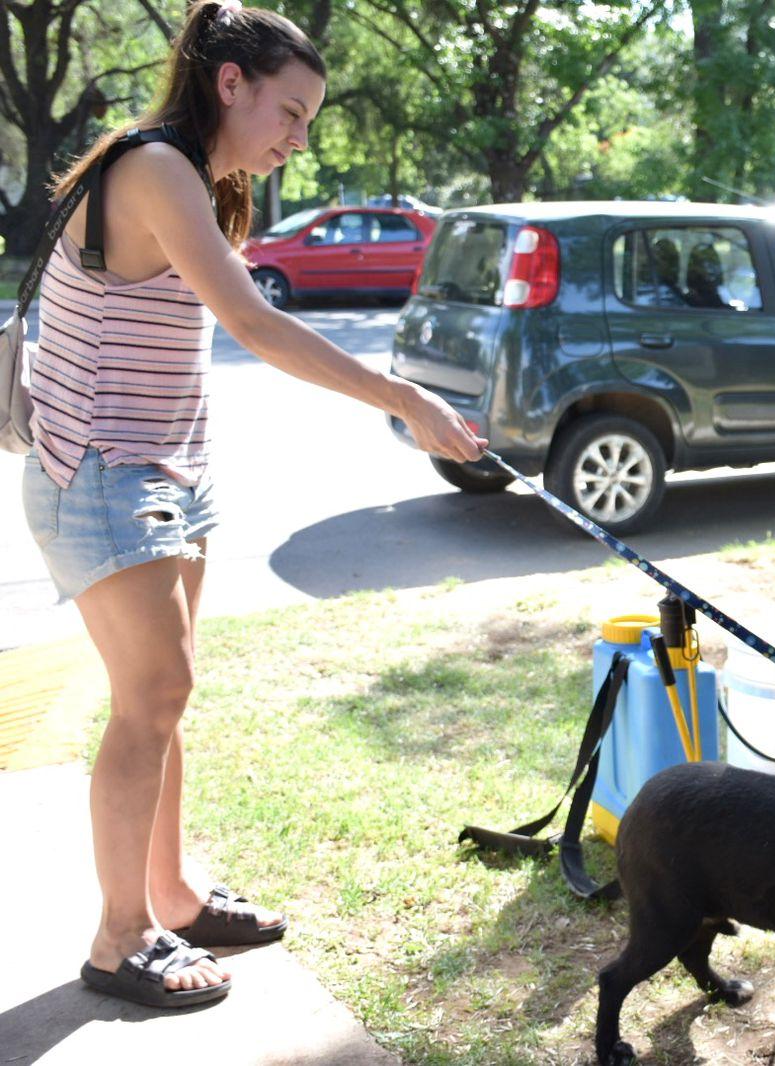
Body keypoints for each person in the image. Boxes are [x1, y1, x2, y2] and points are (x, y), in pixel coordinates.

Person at [18, 0, 483, 1008]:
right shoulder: (154, 168)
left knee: (163, 695)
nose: (297, 137)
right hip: (102, 471)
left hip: (165, 471)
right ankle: (117, 940)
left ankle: (173, 896)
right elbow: (253, 322)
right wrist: (401, 396)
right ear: (230, 83)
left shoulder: (196, 178)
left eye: (309, 121)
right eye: (291, 111)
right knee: (151, 699)